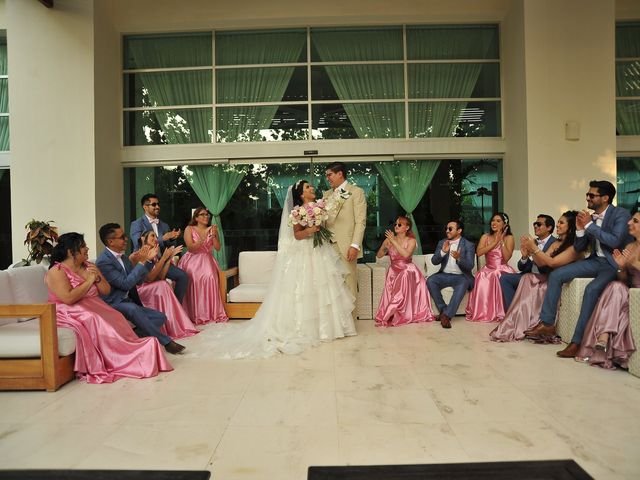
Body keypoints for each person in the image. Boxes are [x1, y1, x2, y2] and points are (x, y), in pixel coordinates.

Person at [201, 180, 356, 358]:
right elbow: (297, 235)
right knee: (305, 288)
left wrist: (319, 219)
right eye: (308, 187)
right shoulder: (297, 212)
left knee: (322, 286)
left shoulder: (320, 205)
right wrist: (311, 230)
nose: (312, 188)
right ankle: (306, 328)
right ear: (301, 194)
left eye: (311, 187)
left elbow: (326, 218)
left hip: (318, 250)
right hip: (304, 251)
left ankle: (328, 328)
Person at [525, 180, 633, 358]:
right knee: (557, 274)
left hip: (613, 264)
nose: (588, 198)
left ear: (605, 198)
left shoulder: (620, 214)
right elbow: (580, 246)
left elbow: (614, 240)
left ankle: (576, 342)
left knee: (591, 290)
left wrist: (590, 226)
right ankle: (548, 323)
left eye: (592, 195)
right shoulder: (590, 217)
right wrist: (581, 230)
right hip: (594, 260)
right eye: (587, 195)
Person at [46, 232, 172, 383]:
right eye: (83, 247)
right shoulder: (57, 271)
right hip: (69, 310)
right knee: (95, 319)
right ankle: (124, 356)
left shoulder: (88, 266)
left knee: (115, 315)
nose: (87, 249)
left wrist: (97, 278)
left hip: (93, 305)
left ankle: (130, 346)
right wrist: (89, 281)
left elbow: (105, 290)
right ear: (70, 251)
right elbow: (68, 298)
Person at [96, 223, 186, 355]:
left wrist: (145, 261)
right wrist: (142, 262)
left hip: (128, 300)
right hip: (113, 303)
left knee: (160, 317)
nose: (126, 239)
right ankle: (167, 343)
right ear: (111, 241)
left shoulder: (124, 257)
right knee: (133, 309)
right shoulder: (103, 262)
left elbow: (139, 281)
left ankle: (128, 337)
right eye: (122, 237)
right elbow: (125, 284)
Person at [490, 211, 580, 342]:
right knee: (525, 277)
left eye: (561, 223)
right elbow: (541, 263)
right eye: (534, 224)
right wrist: (528, 254)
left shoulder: (573, 245)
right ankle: (514, 319)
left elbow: (550, 264)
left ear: (570, 226)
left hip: (554, 279)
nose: (558, 226)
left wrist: (534, 249)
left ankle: (519, 320)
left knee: (528, 278)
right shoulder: (555, 244)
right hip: (540, 274)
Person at [575, 211, 640, 369]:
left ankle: (602, 339)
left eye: (636, 221)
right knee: (615, 286)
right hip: (629, 292)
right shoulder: (630, 246)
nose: (629, 223)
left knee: (615, 288)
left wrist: (634, 263)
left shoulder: (632, 251)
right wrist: (620, 268)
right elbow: (624, 279)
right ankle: (602, 339)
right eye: (632, 219)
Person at [132, 230, 199, 340]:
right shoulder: (137, 255)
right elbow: (149, 278)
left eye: (156, 236)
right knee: (163, 285)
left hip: (152, 285)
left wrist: (167, 259)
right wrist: (163, 258)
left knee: (163, 283)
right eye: (152, 236)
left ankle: (173, 323)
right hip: (141, 288)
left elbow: (161, 277)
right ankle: (170, 324)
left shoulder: (154, 255)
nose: (155, 238)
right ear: (144, 239)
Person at [323, 162, 367, 318]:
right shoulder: (326, 195)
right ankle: (334, 322)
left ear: (340, 173)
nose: (327, 178)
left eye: (329, 174)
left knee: (348, 283)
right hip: (326, 246)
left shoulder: (356, 192)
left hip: (347, 245)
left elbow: (360, 221)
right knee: (330, 284)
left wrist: (355, 245)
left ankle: (349, 321)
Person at [374, 216, 434, 327]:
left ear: (407, 227)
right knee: (398, 276)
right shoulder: (389, 240)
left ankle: (388, 316)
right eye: (395, 224)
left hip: (408, 270)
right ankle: (393, 314)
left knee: (404, 274)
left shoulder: (411, 240)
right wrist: (386, 248)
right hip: (394, 270)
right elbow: (379, 255)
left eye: (399, 224)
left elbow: (406, 255)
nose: (396, 226)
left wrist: (393, 241)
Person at [130, 193, 189, 303]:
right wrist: (162, 238)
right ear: (145, 207)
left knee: (183, 276)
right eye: (154, 204)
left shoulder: (164, 225)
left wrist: (172, 238)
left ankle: (176, 306)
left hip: (161, 261)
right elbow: (138, 243)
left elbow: (169, 246)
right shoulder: (136, 224)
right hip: (145, 263)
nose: (157, 206)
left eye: (158, 204)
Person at [178, 207, 228, 325]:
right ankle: (194, 314)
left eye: (207, 215)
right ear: (196, 217)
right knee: (194, 277)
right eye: (203, 215)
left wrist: (214, 235)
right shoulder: (189, 229)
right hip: (192, 258)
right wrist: (204, 236)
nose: (206, 217)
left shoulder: (212, 229)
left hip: (207, 258)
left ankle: (210, 313)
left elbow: (217, 247)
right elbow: (191, 247)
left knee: (210, 277)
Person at [465, 212, 516, 322]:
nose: (494, 223)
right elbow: (479, 253)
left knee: (497, 275)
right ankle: (485, 312)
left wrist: (501, 241)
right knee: (481, 275)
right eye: (493, 220)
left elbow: (506, 258)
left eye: (498, 221)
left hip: (502, 268)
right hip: (488, 268)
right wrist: (494, 243)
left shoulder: (509, 238)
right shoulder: (485, 236)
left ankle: (501, 312)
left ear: (505, 224)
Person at [499, 214, 556, 311]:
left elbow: (545, 266)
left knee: (525, 278)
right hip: (528, 275)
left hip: (544, 277)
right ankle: (513, 312)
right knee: (505, 278)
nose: (535, 226)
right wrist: (524, 257)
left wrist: (533, 249)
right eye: (535, 224)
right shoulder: (533, 242)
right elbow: (521, 267)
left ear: (549, 227)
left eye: (539, 224)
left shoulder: (555, 243)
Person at [426, 220, 475, 329]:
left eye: (450, 229)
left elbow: (470, 266)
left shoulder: (468, 245)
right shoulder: (442, 242)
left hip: (461, 277)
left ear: (459, 231)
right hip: (444, 275)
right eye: (446, 228)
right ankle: (444, 310)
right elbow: (434, 261)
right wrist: (443, 251)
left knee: (464, 282)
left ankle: (446, 316)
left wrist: (459, 259)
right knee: (430, 280)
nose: (447, 231)